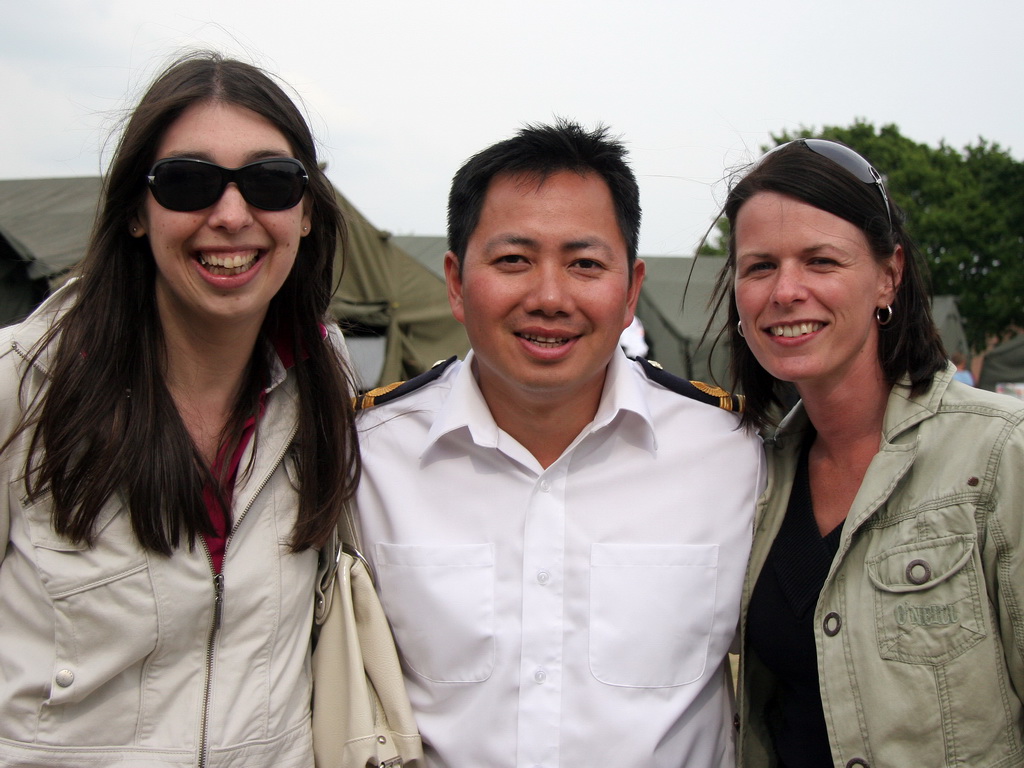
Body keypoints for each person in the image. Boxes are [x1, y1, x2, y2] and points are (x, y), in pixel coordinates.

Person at [354, 120, 765, 767]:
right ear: (456, 282)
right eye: (513, 261)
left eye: (585, 265)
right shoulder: (368, 461)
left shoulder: (733, 457)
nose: (549, 297)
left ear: (631, 291)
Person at [0, 52, 360, 767]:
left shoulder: (326, 383)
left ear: (307, 212)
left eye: (270, 182)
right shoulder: (24, 383)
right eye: (188, 182)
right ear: (137, 211)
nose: (231, 216)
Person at [706, 138, 1024, 767]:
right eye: (760, 266)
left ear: (888, 274)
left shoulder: (1000, 454)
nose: (786, 291)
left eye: (821, 261)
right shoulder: (755, 475)